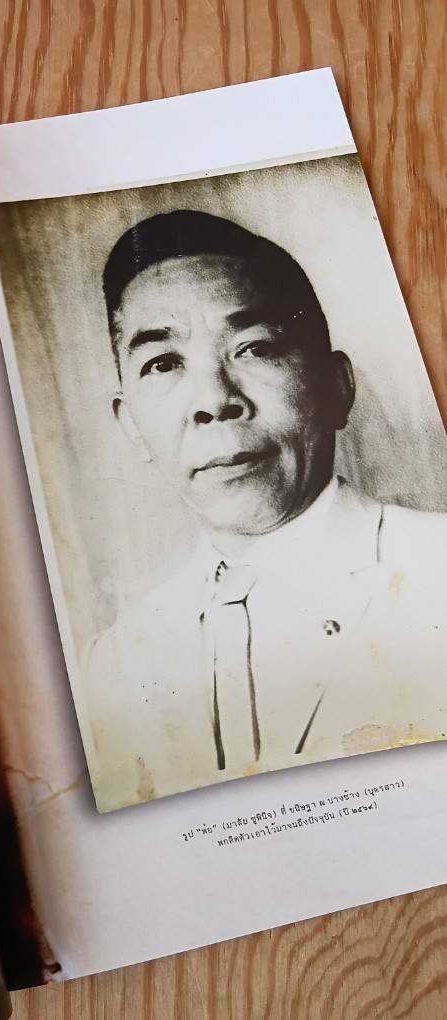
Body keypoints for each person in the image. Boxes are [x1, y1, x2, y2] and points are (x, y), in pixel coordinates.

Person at [85, 209, 447, 812]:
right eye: (163, 363)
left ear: (336, 387)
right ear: (131, 425)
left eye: (253, 348)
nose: (214, 401)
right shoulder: (115, 664)